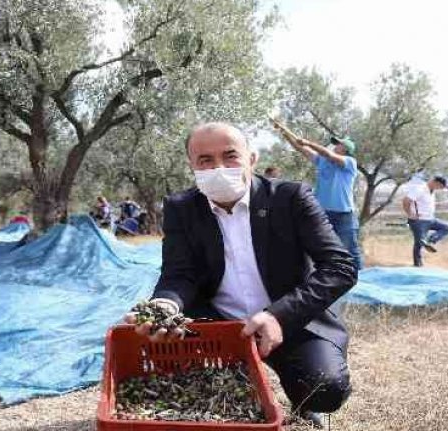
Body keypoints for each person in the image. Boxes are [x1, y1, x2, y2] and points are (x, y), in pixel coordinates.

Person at [125, 123, 357, 428]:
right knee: (201, 394)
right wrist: (165, 305)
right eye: (205, 160)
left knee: (324, 389)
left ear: (252, 158)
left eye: (230, 156)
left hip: (290, 319)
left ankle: (303, 401)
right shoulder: (182, 208)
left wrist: (278, 315)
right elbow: (179, 273)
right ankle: (243, 382)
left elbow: (340, 267)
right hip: (218, 322)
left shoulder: (290, 198)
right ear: (191, 166)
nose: (218, 167)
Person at [272, 121, 363, 270]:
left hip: (344, 215)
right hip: (322, 212)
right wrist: (284, 132)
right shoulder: (322, 161)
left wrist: (309, 142)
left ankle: (360, 280)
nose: (335, 145)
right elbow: (300, 148)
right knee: (320, 247)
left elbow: (328, 154)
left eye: (339, 144)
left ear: (346, 149)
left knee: (350, 248)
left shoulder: (349, 163)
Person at [402, 176, 448, 267]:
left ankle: (430, 241)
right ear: (435, 183)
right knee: (419, 242)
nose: (440, 189)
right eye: (440, 187)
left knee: (446, 228)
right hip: (418, 221)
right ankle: (418, 264)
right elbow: (406, 200)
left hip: (430, 219)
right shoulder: (420, 189)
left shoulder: (431, 191)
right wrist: (410, 214)